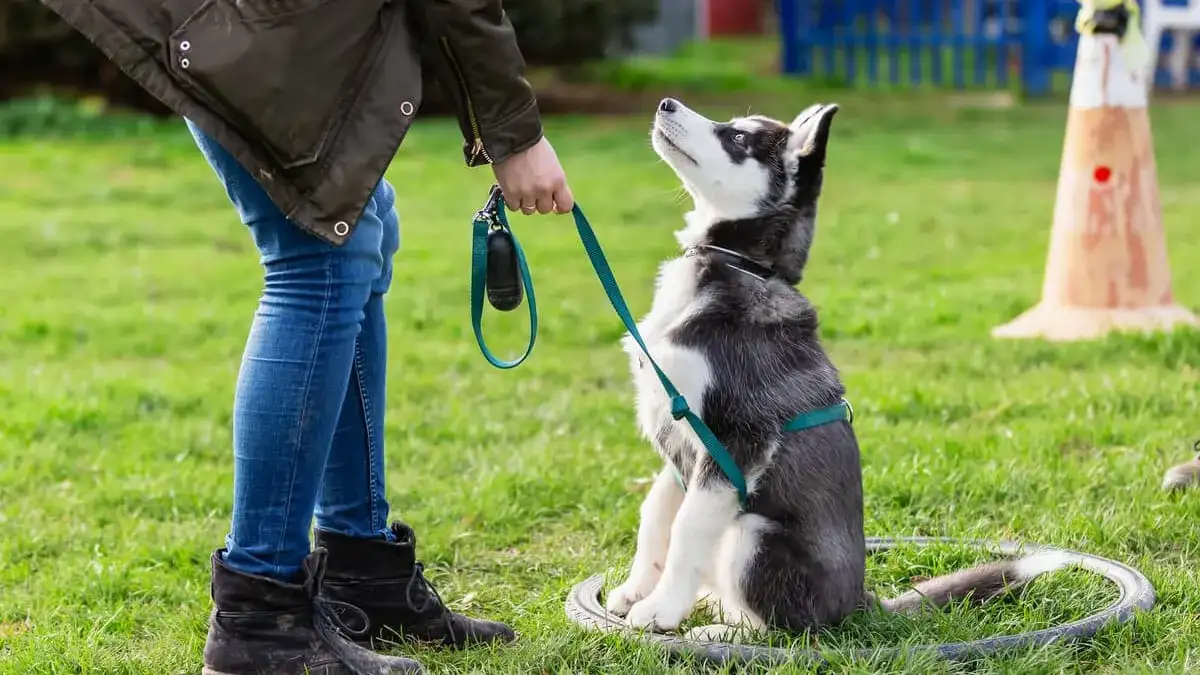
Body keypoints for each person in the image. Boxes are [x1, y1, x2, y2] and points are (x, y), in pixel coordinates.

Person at [38, 1, 572, 673]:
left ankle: (362, 569)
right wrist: (514, 136)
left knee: (360, 229)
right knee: (318, 264)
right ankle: (260, 618)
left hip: (265, 23)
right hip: (253, 27)